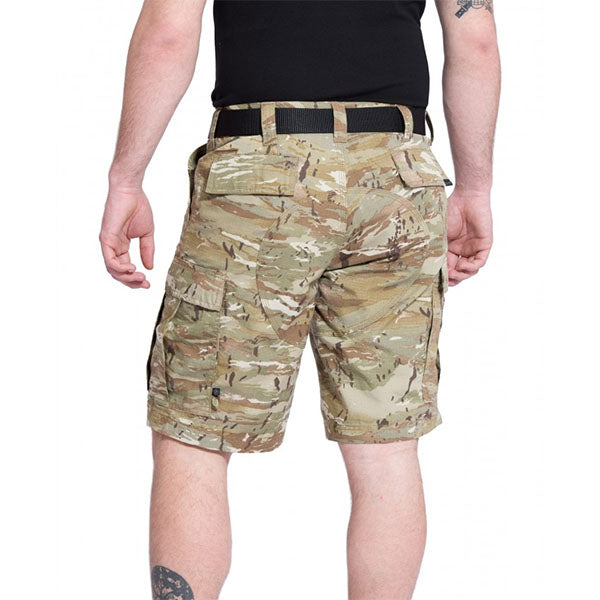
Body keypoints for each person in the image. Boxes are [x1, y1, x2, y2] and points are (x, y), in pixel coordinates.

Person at [100, 0, 500, 597]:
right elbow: (475, 40)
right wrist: (475, 186)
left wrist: (125, 180)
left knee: (197, 432)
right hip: (397, 178)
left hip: (258, 179)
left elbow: (167, 35)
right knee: (384, 444)